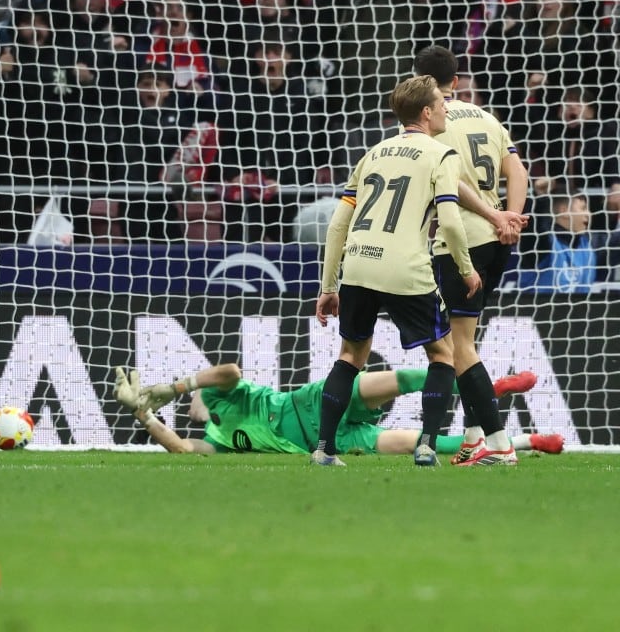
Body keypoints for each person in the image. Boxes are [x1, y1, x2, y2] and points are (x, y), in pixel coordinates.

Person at [313, 75, 480, 467]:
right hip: (405, 268)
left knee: (351, 355)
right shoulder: (440, 154)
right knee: (442, 355)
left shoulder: (373, 153)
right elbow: (452, 224)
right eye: (440, 102)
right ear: (426, 112)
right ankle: (426, 445)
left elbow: (338, 225)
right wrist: (467, 269)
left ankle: (323, 449)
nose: (445, 108)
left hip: (358, 264)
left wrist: (328, 285)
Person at [415, 45, 531, 466]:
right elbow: (516, 170)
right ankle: (471, 436)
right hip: (498, 241)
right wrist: (511, 218)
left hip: (460, 238)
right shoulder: (486, 117)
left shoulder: (430, 123)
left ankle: (499, 447)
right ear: (456, 81)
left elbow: (451, 182)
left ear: (420, 82)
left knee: (458, 345)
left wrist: (493, 215)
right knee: (468, 341)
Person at [112, 364, 564, 457]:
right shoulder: (218, 441)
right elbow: (183, 451)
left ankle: (480, 383)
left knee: (402, 380)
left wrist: (177, 387)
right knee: (416, 444)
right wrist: (144, 416)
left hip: (318, 401)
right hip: (327, 441)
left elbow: (227, 370)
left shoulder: (220, 395)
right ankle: (527, 441)